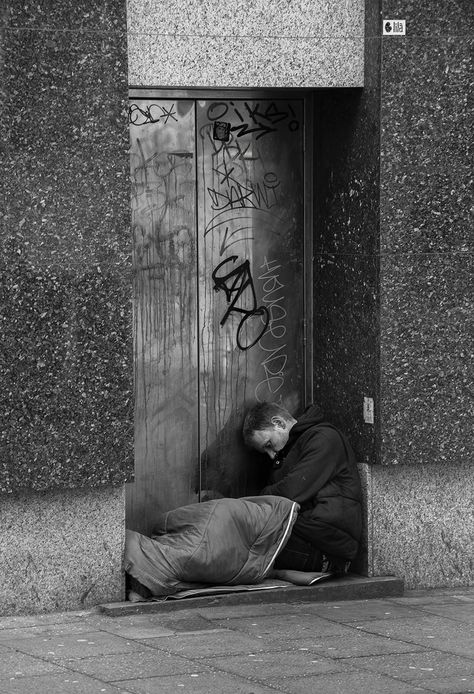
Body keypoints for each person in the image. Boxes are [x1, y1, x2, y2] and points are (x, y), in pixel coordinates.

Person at [242, 401, 363, 575]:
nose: (271, 454)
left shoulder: (324, 438)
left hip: (325, 547)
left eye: (269, 444)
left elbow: (291, 492)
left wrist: (261, 497)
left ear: (279, 423)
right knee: (237, 539)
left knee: (239, 543)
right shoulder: (289, 450)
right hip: (308, 535)